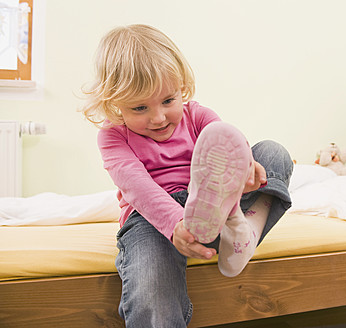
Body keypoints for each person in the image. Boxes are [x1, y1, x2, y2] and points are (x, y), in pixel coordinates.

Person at [81, 24, 293, 327]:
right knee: (152, 286)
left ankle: (243, 233)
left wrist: (246, 165)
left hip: (217, 206)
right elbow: (138, 188)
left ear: (181, 87)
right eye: (140, 107)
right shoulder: (114, 137)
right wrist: (175, 224)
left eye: (168, 100)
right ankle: (236, 229)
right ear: (115, 103)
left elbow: (228, 140)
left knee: (274, 153)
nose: (158, 117)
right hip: (152, 218)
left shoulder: (197, 114)